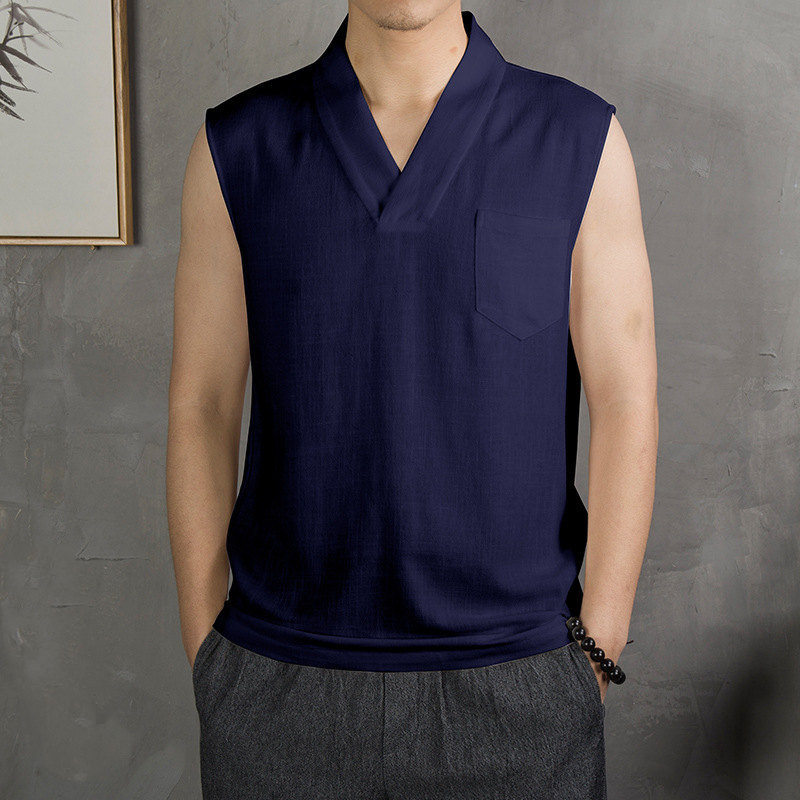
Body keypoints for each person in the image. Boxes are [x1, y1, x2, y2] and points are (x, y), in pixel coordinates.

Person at [166, 2, 657, 798]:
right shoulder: (240, 144)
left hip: (522, 680)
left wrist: (598, 649)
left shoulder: (578, 138)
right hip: (278, 680)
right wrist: (209, 654)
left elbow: (626, 397)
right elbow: (204, 403)